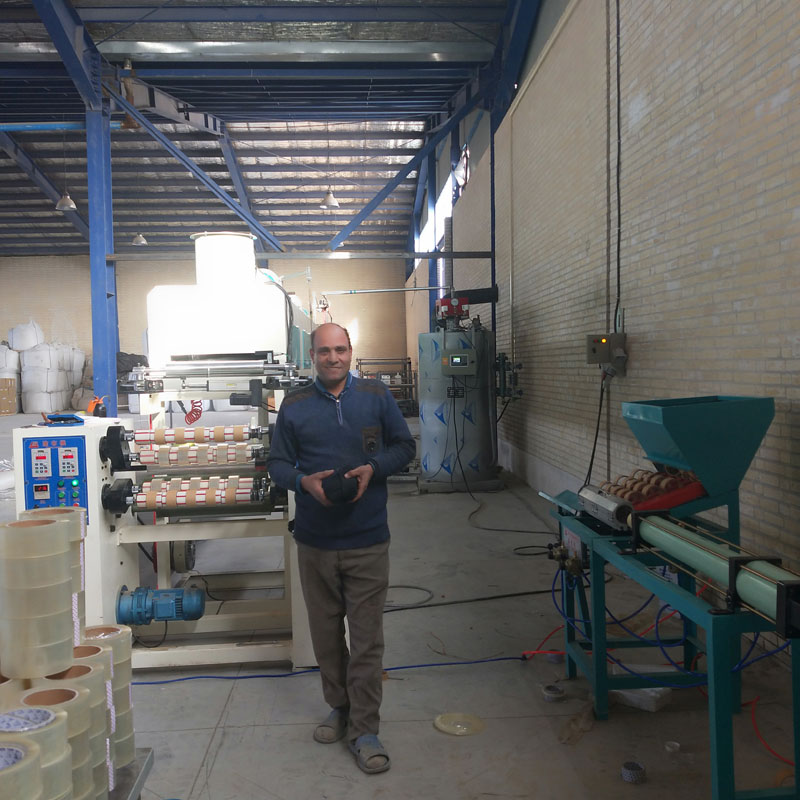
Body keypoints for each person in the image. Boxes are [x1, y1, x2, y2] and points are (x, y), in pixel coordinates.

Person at [267, 322, 415, 775]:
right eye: (324, 351)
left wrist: (373, 467)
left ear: (351, 352)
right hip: (315, 541)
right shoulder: (294, 405)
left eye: (341, 349)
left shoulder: (376, 396)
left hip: (367, 538)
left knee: (366, 640)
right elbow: (277, 463)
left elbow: (404, 447)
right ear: (312, 356)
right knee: (326, 636)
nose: (333, 358)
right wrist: (302, 482)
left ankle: (365, 729)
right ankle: (340, 707)